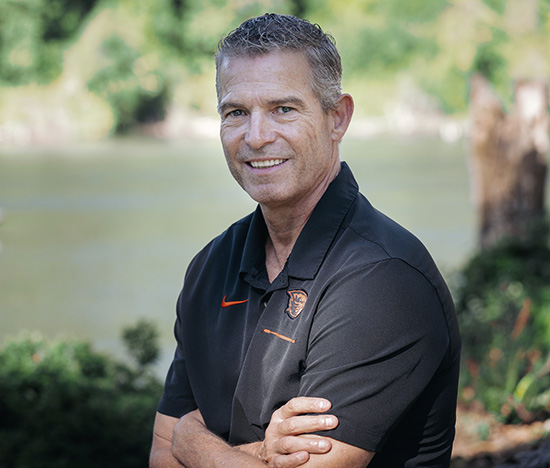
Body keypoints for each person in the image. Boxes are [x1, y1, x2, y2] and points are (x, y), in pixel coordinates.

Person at [149, 13, 461, 468]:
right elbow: (159, 456)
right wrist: (254, 454)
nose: (256, 137)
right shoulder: (210, 266)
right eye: (236, 112)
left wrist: (191, 440)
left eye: (284, 109)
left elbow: (174, 441)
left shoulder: (382, 279)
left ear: (338, 118)